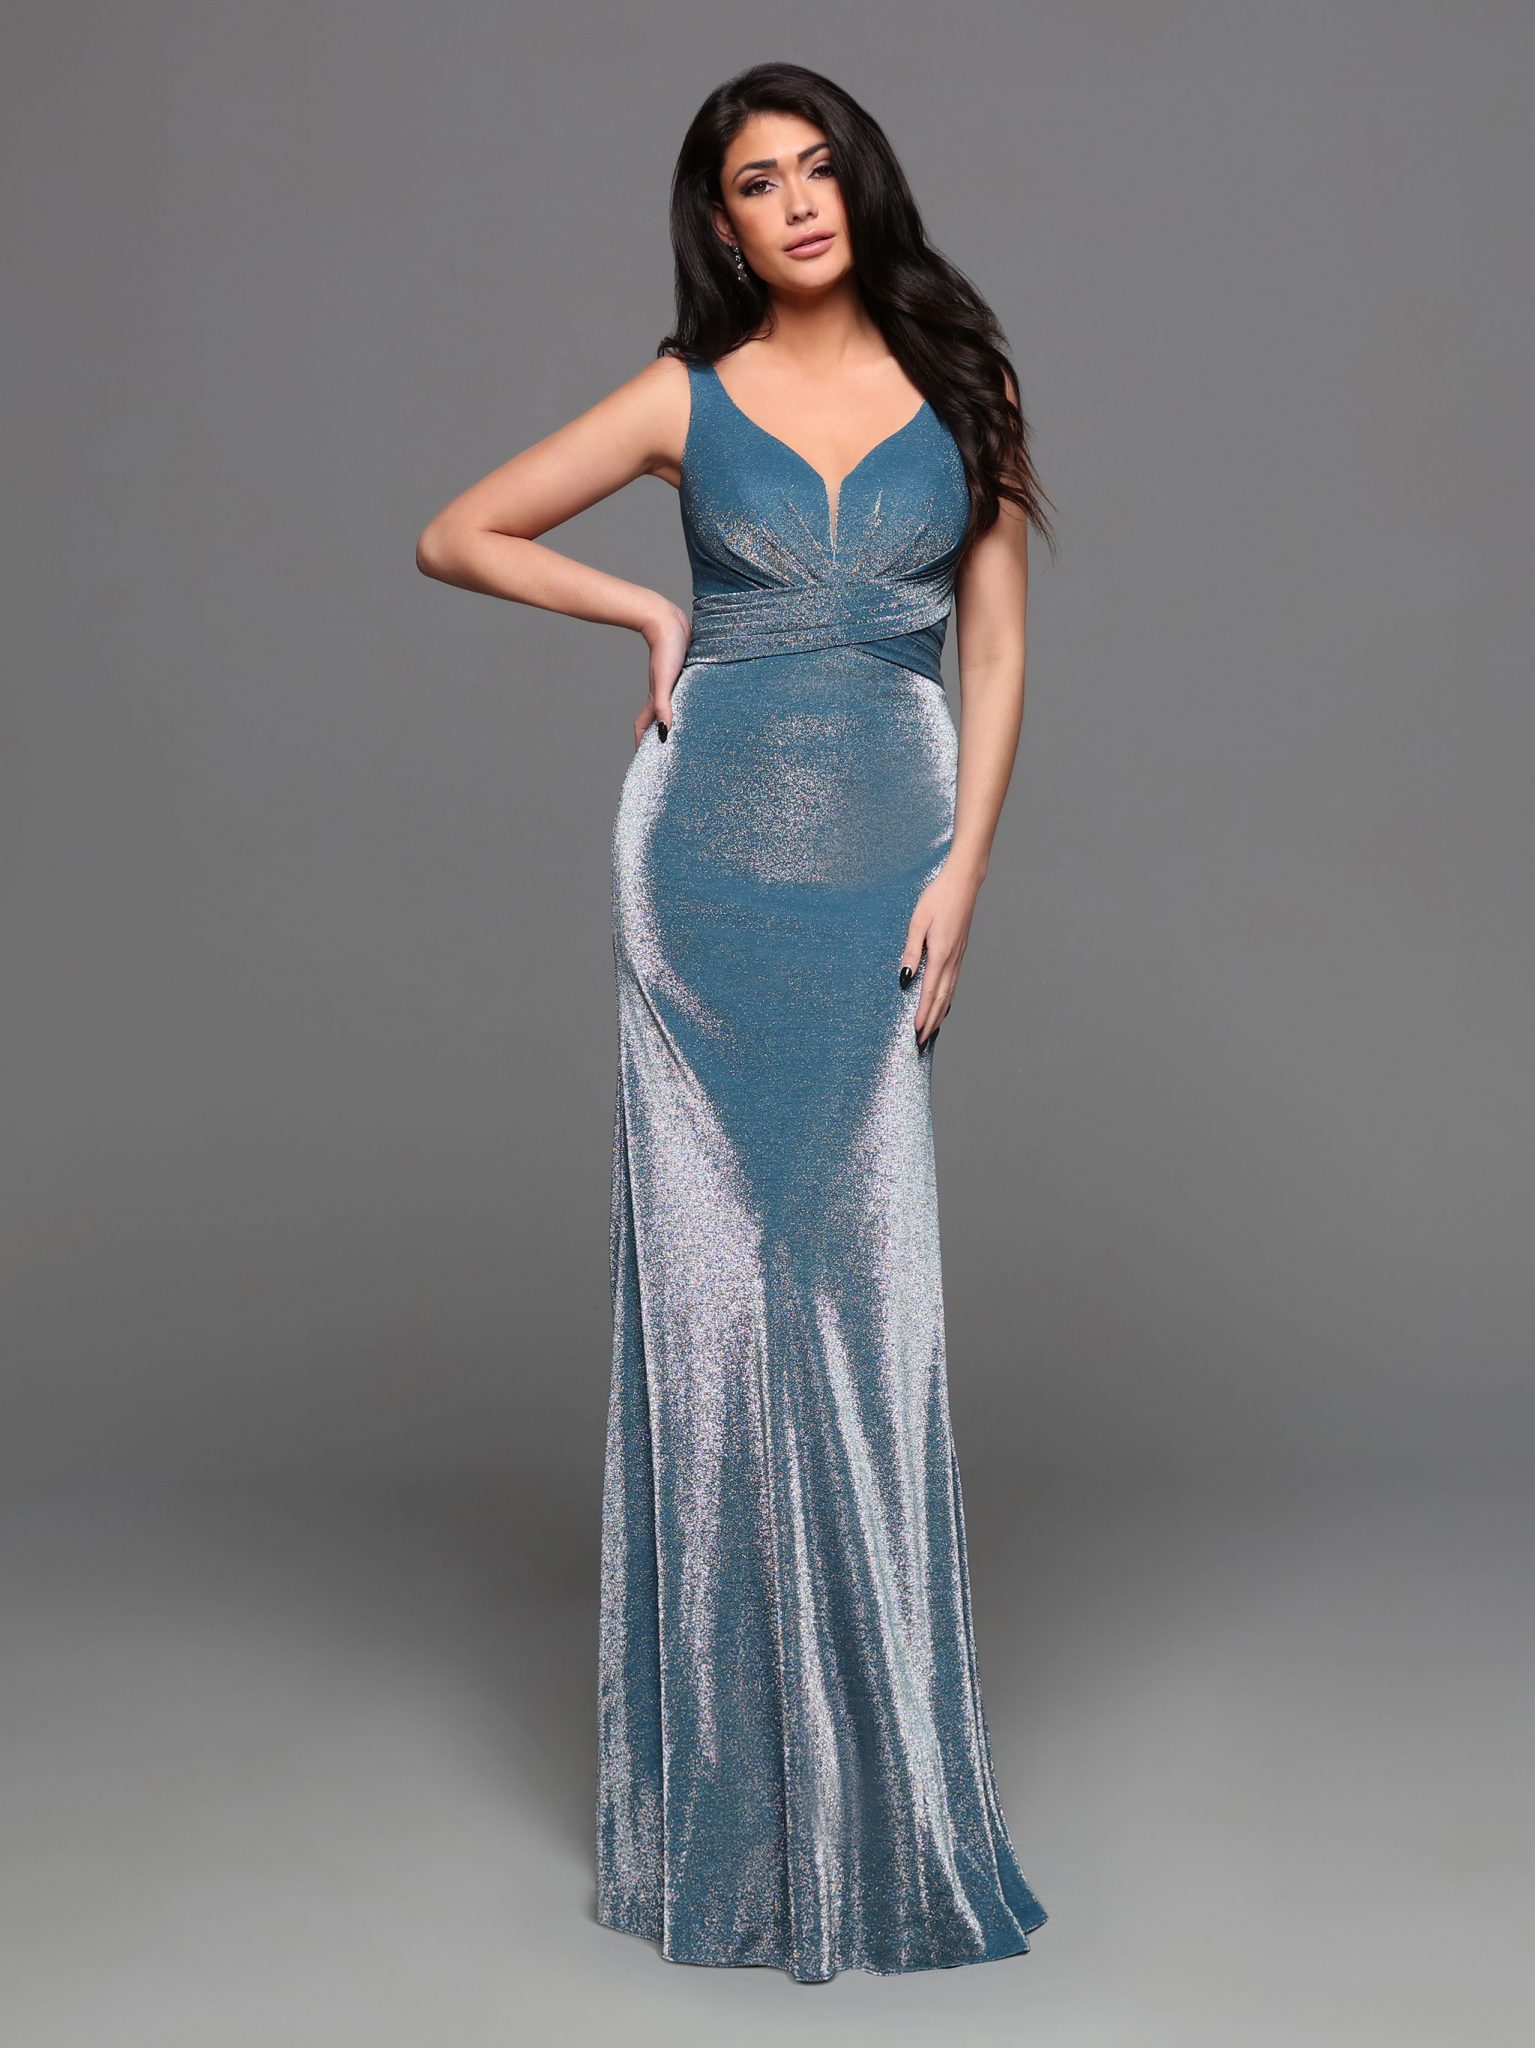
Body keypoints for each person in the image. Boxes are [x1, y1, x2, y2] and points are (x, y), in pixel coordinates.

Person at [416, 60, 1058, 1984]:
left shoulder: (966, 382)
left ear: (863, 183)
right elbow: (458, 533)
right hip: (699, 875)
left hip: (883, 864)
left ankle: (884, 1801)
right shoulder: (681, 397)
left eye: (816, 167)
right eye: (756, 182)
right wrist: (647, 616)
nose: (796, 202)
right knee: (715, 1322)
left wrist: (966, 869)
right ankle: (729, 1820)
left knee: (866, 1307)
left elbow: (998, 641)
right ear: (721, 223)